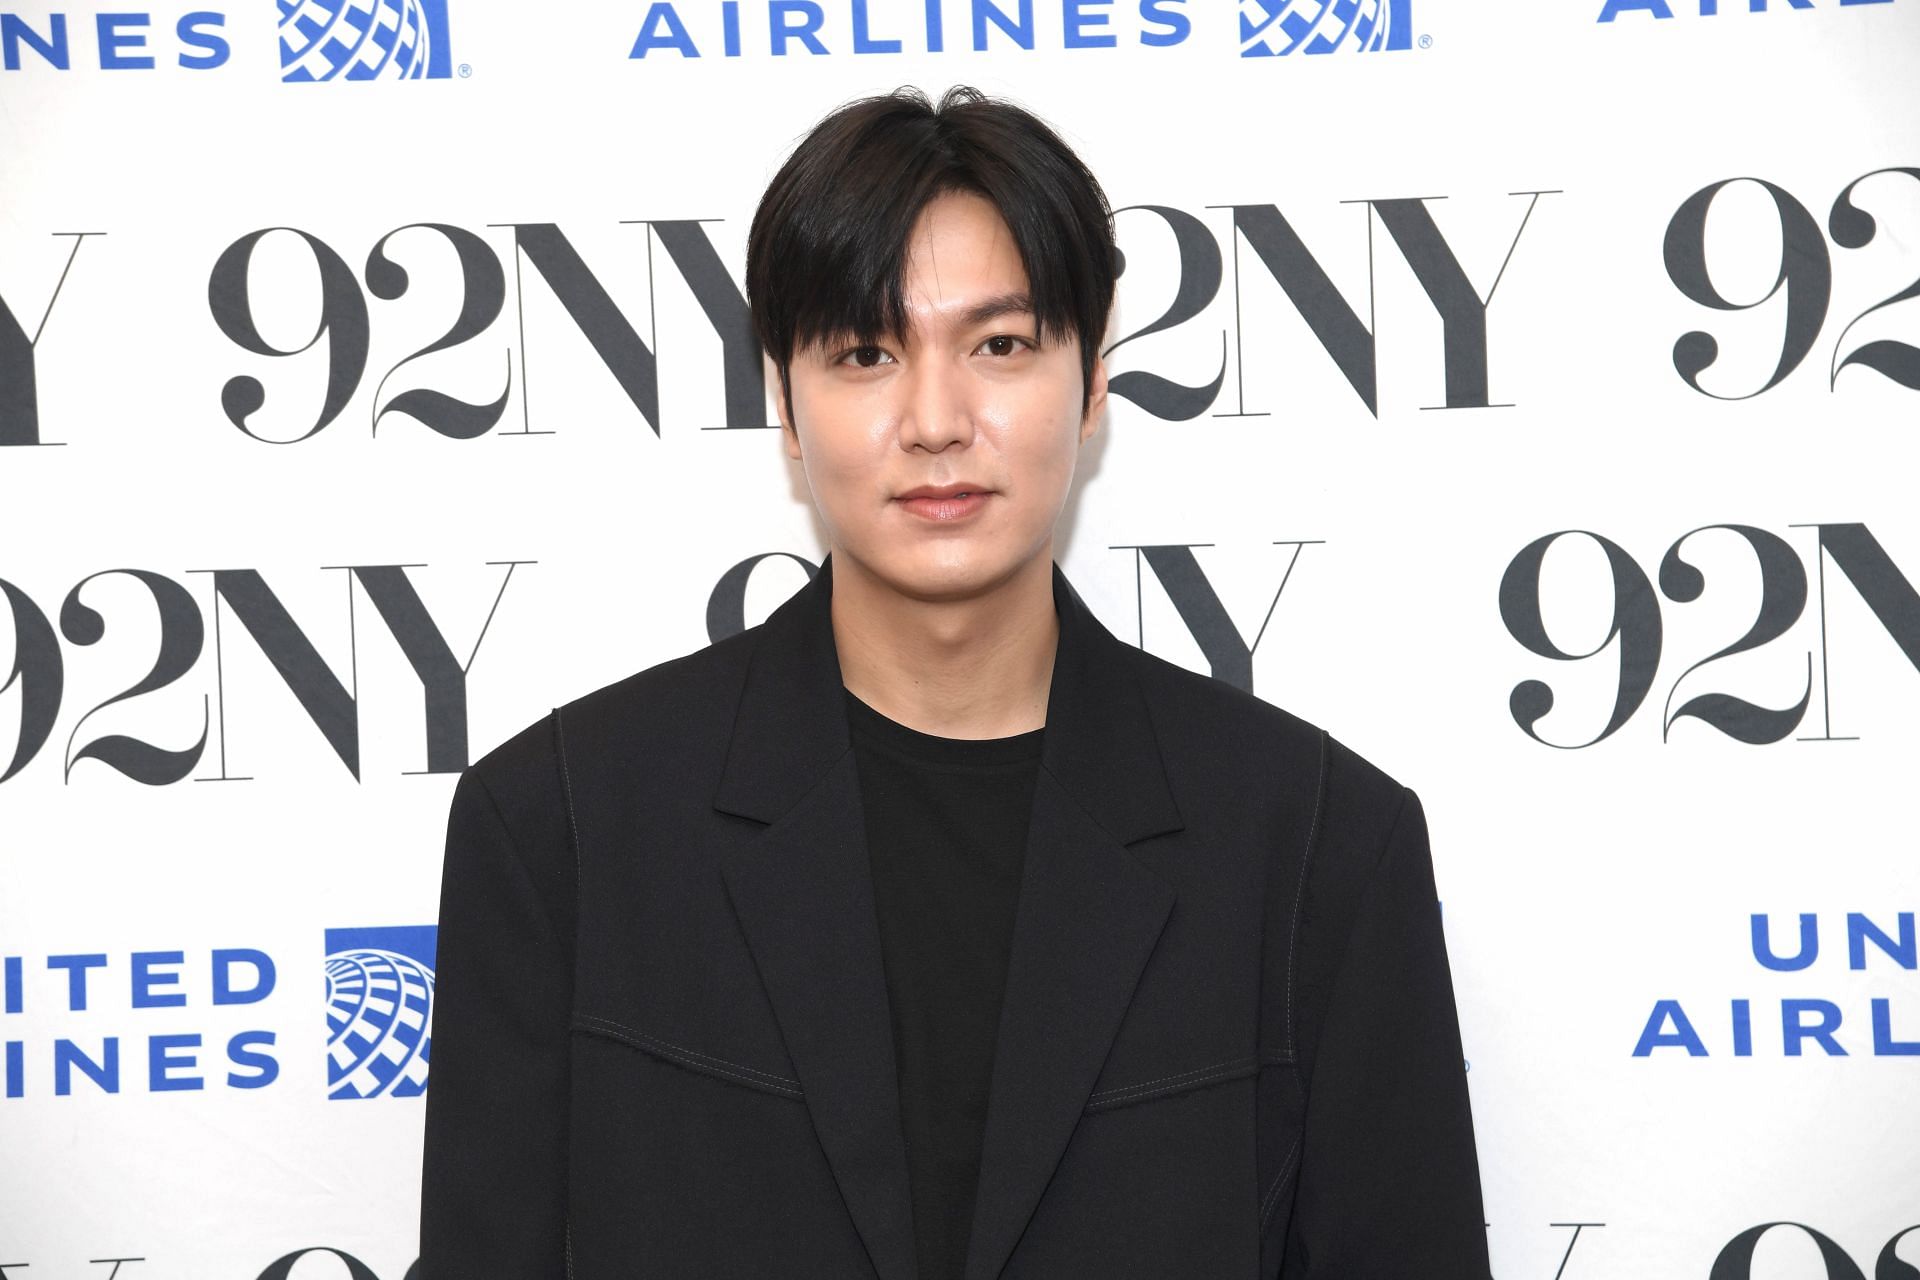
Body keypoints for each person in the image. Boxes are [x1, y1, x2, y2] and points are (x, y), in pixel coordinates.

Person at [419, 85, 1490, 1279]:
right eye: (867, 353)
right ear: (783, 401)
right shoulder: (564, 829)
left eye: (1000, 345)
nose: (936, 419)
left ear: (1090, 388)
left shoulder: (1316, 846)